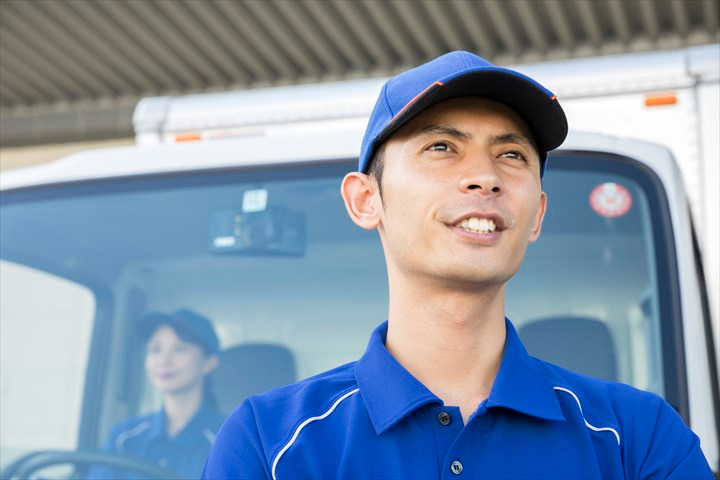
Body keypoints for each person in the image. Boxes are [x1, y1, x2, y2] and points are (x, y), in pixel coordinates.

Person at [202, 52, 713, 479]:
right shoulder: (269, 445)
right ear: (365, 200)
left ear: (536, 214)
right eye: (441, 147)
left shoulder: (637, 438)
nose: (484, 178)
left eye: (512, 155)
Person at [90, 309, 225, 479]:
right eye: (155, 349)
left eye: (179, 349)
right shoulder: (124, 437)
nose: (163, 360)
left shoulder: (228, 438)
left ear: (209, 363)